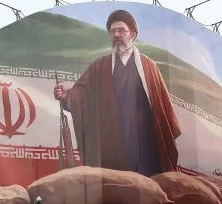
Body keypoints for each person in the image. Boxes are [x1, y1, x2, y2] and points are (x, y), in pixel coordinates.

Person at [53, 9, 181, 176]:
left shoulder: (148, 66)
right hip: (112, 135)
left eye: (121, 30)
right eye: (113, 31)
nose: (116, 35)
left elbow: (162, 105)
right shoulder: (100, 66)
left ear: (132, 34)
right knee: (116, 181)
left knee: (149, 182)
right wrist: (66, 96)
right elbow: (81, 92)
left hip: (144, 138)